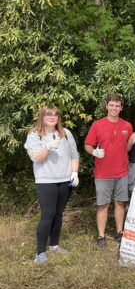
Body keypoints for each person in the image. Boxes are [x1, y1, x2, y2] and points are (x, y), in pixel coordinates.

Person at [24, 106, 80, 263]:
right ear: (42, 117)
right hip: (46, 181)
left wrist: (74, 173)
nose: (52, 117)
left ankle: (54, 245)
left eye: (55, 115)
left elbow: (75, 155)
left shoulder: (66, 134)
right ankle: (40, 252)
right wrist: (47, 147)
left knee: (58, 214)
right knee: (47, 215)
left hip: (65, 180)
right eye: (49, 115)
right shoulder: (34, 135)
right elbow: (37, 158)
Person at [84, 94, 133, 249]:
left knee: (120, 202)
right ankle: (101, 236)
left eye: (117, 106)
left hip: (122, 172)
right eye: (111, 105)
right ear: (106, 106)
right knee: (103, 205)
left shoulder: (127, 126)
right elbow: (88, 145)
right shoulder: (97, 125)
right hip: (103, 173)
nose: (114, 108)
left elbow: (129, 146)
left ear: (121, 108)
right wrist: (94, 152)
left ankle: (119, 232)